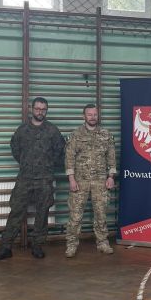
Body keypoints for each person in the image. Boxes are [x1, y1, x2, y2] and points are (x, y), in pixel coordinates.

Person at [0, 97, 65, 261]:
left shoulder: (52, 130)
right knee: (16, 211)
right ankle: (6, 247)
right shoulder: (22, 129)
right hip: (25, 178)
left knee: (42, 212)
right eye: (37, 109)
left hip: (44, 178)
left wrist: (47, 165)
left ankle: (37, 245)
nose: (40, 112)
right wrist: (25, 163)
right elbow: (15, 148)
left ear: (46, 110)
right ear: (32, 109)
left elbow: (60, 151)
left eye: (43, 109)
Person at [64, 104, 117, 257]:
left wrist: (111, 176)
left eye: (95, 114)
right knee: (75, 215)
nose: (93, 117)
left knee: (101, 214)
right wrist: (71, 179)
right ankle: (71, 244)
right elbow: (69, 157)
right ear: (84, 116)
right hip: (80, 181)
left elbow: (111, 157)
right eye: (89, 114)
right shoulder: (76, 135)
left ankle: (103, 242)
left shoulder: (106, 134)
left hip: (100, 181)